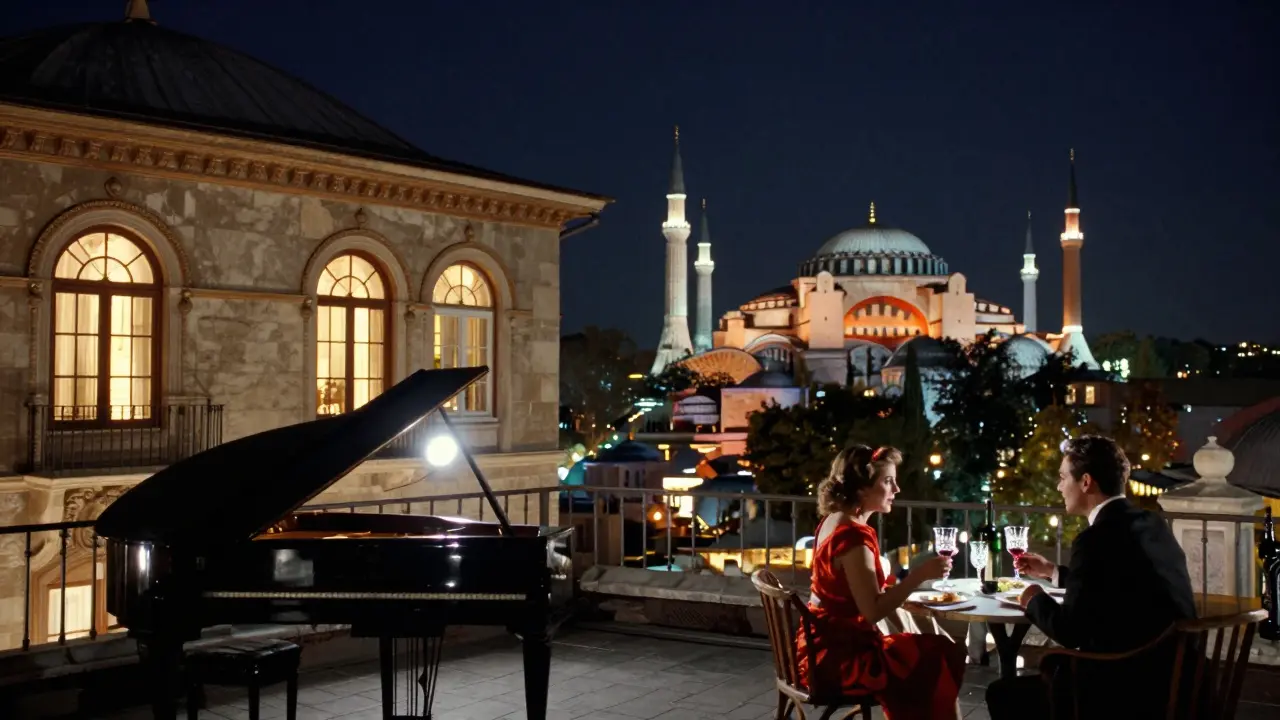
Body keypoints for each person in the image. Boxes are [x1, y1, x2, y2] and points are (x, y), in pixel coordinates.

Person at [985, 435, 1196, 720]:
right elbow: (1118, 584)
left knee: (1002, 694)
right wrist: (1053, 572)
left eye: (1062, 478)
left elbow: (1071, 631)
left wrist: (1033, 597)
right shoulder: (1152, 523)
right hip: (1181, 680)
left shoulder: (1095, 538)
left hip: (1124, 691)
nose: (1059, 487)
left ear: (1085, 482)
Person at [796, 445, 967, 720]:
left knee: (927, 645)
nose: (897, 489)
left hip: (820, 645)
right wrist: (920, 575)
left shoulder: (833, 521)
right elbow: (873, 611)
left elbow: (851, 595)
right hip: (840, 660)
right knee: (938, 653)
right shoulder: (853, 537)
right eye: (888, 481)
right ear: (862, 488)